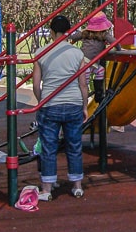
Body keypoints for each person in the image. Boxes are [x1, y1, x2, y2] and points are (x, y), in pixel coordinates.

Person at [32, 15, 88, 201]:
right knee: (74, 146)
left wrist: (43, 101)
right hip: (73, 104)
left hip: (50, 104)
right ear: (68, 31)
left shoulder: (41, 53)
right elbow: (82, 84)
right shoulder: (78, 54)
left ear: (52, 31)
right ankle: (77, 186)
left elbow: (36, 85)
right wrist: (85, 106)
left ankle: (47, 189)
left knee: (49, 147)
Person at [69, 11, 119, 104]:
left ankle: (96, 94)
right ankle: (94, 95)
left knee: (99, 72)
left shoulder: (85, 33)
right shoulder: (104, 35)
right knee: (87, 81)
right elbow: (115, 42)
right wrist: (119, 49)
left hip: (88, 62)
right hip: (87, 63)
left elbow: (74, 36)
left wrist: (69, 37)